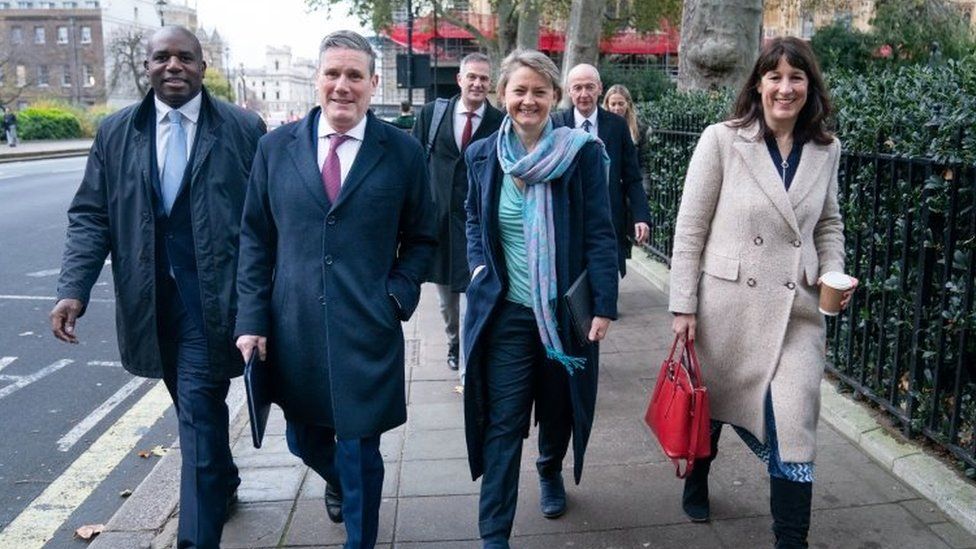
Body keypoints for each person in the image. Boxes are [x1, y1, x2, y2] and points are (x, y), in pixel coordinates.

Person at [49, 26, 266, 548]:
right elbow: (91, 215)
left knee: (196, 418)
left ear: (202, 67)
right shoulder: (116, 131)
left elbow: (267, 217)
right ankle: (225, 481)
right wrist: (73, 287)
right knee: (196, 413)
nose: (174, 66)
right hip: (149, 304)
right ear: (146, 66)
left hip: (216, 304)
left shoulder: (242, 128)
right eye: (162, 57)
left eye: (185, 58)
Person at [234, 30, 436, 549]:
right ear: (317, 80)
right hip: (294, 327)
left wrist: (397, 296)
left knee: (360, 448)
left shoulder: (404, 153)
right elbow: (256, 238)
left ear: (372, 83)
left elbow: (423, 237)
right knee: (303, 439)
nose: (342, 86)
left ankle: (360, 537)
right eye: (332, 74)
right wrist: (252, 321)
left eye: (354, 76)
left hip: (367, 325)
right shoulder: (274, 149)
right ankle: (345, 487)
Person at [669, 37, 857, 548]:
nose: (785, 87)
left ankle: (790, 539)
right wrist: (683, 305)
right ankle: (699, 479)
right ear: (758, 83)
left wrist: (833, 270)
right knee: (710, 414)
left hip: (795, 310)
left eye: (796, 77)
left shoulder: (826, 149)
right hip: (725, 308)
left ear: (809, 87)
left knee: (794, 425)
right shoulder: (722, 140)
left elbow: (829, 223)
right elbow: (690, 229)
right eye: (774, 76)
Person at [462, 49, 619, 548]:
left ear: (554, 97)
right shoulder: (483, 155)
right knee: (504, 422)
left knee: (558, 412)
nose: (528, 100)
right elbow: (471, 218)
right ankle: (494, 536)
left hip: (563, 315)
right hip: (506, 313)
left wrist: (603, 304)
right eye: (518, 90)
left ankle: (549, 469)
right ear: (502, 95)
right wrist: (479, 265)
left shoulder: (583, 153)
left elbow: (599, 232)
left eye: (539, 91)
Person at [412, 52, 503, 375]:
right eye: (472, 77)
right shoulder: (432, 115)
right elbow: (415, 165)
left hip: (477, 225)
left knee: (473, 293)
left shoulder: (499, 122)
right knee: (446, 303)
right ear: (460, 79)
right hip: (439, 226)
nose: (478, 83)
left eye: (483, 78)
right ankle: (454, 341)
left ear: (490, 84)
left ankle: (471, 351)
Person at [554, 64, 651, 276]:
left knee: (605, 289)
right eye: (577, 88)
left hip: (607, 221)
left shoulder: (617, 126)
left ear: (599, 88)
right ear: (569, 91)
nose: (584, 94)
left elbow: (632, 177)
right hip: (568, 221)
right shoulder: (556, 125)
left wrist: (641, 216)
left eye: (589, 87)